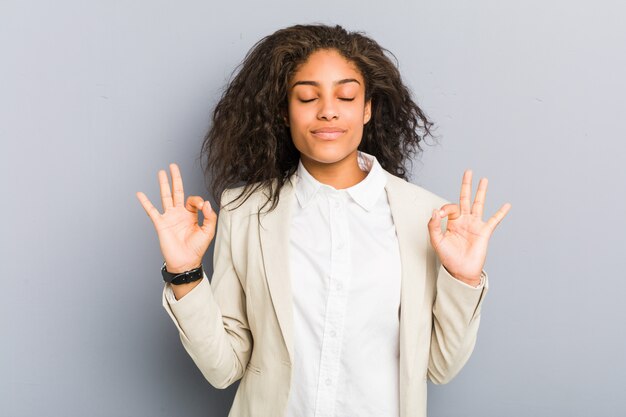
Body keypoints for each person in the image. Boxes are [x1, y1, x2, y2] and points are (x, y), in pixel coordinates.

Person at [136, 23, 511, 417]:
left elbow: (439, 367)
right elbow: (223, 368)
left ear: (367, 108)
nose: (328, 110)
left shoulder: (425, 217)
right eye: (307, 97)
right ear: (285, 111)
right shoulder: (244, 210)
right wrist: (185, 273)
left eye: (346, 95)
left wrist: (464, 280)